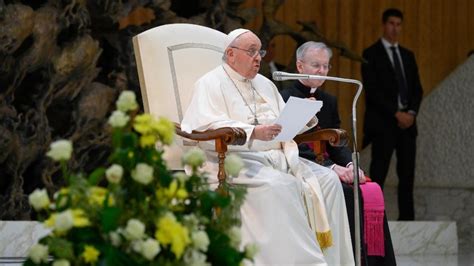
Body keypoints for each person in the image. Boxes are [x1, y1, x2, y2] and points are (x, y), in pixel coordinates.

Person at [181, 29, 354, 265]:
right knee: (280, 184)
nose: (258, 57)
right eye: (251, 51)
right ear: (231, 54)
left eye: (260, 51)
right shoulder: (210, 84)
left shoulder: (264, 84)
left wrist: (304, 116)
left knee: (329, 181)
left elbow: (282, 124)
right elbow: (204, 127)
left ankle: (334, 260)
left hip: (278, 155)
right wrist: (253, 132)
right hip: (237, 159)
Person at [281, 41, 397, 266]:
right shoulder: (283, 96)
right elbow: (291, 143)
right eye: (316, 65)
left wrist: (351, 165)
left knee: (370, 190)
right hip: (302, 165)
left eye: (326, 66)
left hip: (328, 166)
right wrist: (333, 168)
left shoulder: (329, 100)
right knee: (345, 191)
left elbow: (336, 144)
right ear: (299, 65)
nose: (322, 71)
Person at [361, 8, 423, 221]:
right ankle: (374, 220)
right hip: (384, 125)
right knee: (378, 173)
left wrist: (411, 113)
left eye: (398, 24)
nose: (395, 28)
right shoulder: (370, 54)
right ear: (384, 25)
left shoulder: (408, 55)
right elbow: (373, 91)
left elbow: (417, 89)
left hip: (408, 125)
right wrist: (396, 113)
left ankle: (408, 221)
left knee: (407, 176)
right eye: (391, 24)